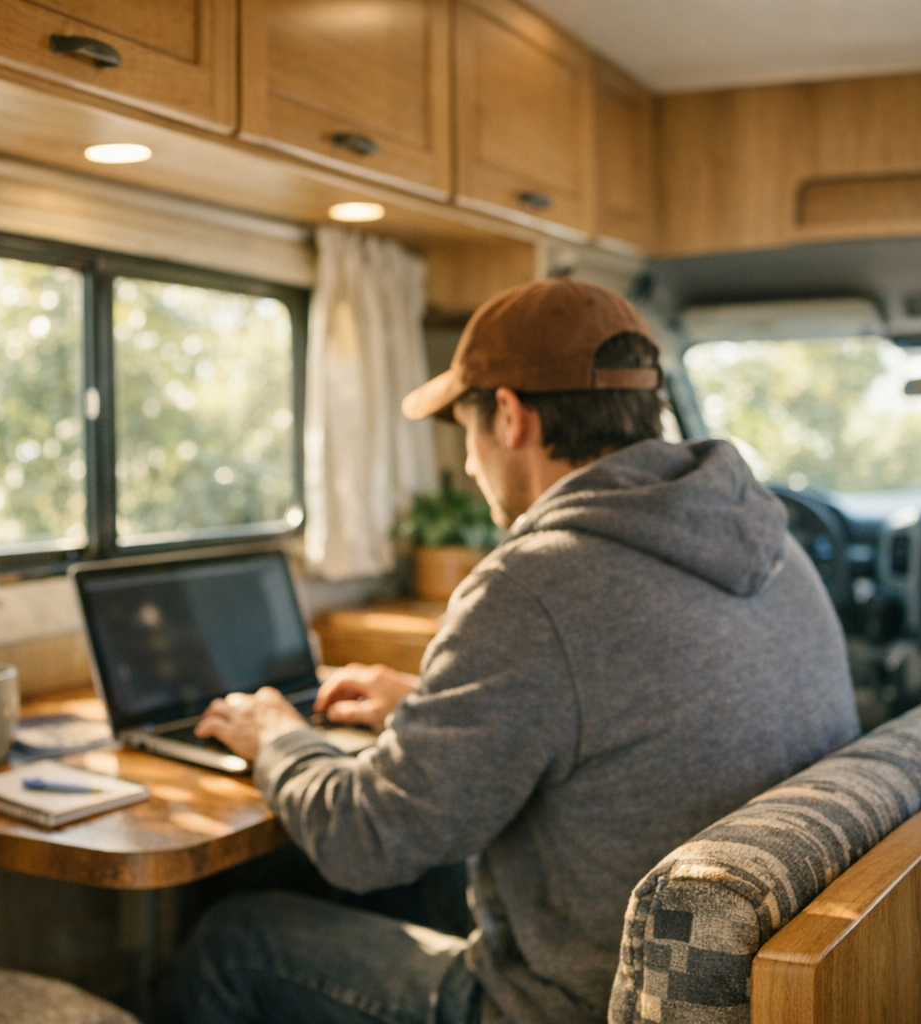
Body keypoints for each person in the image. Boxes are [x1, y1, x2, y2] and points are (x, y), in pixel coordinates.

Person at [171, 277, 861, 1024]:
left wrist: (278, 737)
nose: (468, 466)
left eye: (464, 430)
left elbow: (366, 838)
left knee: (233, 941)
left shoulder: (534, 585)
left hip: (570, 1003)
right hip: (760, 988)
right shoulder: (770, 543)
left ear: (508, 416)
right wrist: (429, 706)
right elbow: (632, 713)